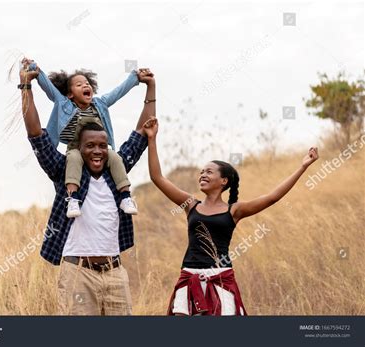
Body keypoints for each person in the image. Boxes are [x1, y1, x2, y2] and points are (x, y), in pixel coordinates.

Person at [18, 59, 156, 315]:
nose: (97, 151)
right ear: (79, 149)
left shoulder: (117, 169)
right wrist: (26, 85)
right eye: (90, 146)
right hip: (78, 275)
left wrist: (150, 89)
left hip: (115, 275)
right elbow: (36, 133)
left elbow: (141, 133)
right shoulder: (65, 171)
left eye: (102, 146)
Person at [143, 117, 319, 316]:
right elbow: (157, 177)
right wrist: (152, 139)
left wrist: (303, 167)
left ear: (223, 181)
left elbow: (272, 197)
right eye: (201, 172)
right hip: (189, 276)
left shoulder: (234, 211)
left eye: (209, 172)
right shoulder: (190, 204)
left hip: (220, 279)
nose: (202, 174)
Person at [22, 58, 153, 218]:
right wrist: (35, 69)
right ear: (70, 94)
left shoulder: (100, 103)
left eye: (87, 84)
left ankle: (125, 196)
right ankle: (73, 198)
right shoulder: (64, 103)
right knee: (73, 159)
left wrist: (135, 77)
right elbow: (49, 88)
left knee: (115, 157)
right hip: (76, 148)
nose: (85, 86)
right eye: (79, 85)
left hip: (99, 149)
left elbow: (118, 92)